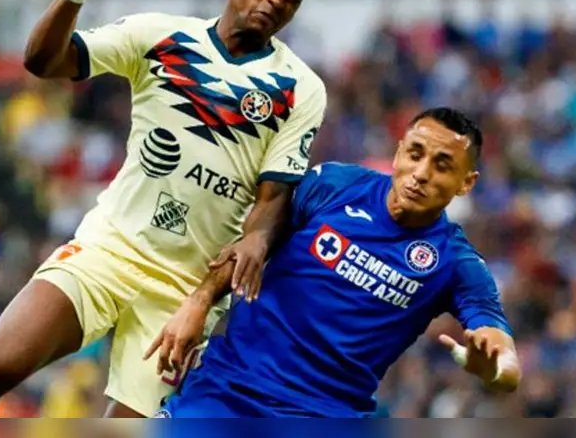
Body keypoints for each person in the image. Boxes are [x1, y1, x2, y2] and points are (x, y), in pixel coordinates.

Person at [0, 0, 327, 419]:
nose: (277, 0)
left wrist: (213, 290)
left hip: (184, 288)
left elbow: (272, 204)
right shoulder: (159, 35)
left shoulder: (300, 88)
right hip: (108, 250)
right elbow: (42, 60)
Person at [148, 107, 520, 418]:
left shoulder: (456, 263)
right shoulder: (335, 185)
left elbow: (505, 359)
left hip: (324, 415)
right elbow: (255, 244)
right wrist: (198, 302)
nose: (421, 173)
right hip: (226, 389)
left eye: (442, 165)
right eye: (415, 154)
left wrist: (494, 368)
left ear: (466, 183)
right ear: (398, 153)